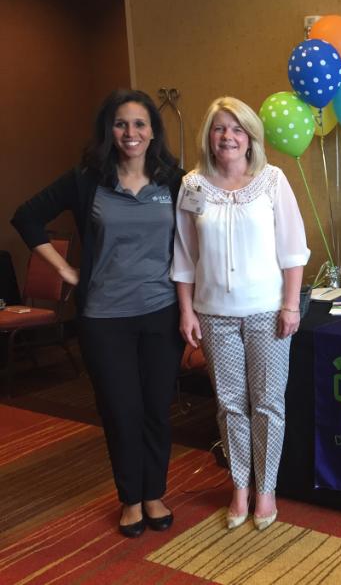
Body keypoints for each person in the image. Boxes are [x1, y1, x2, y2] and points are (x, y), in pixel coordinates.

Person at [11, 89, 185, 538]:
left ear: (153, 132)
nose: (131, 133)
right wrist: (66, 269)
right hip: (104, 317)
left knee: (156, 410)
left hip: (161, 312)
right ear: (109, 130)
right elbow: (26, 217)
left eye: (140, 124)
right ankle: (130, 497)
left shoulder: (174, 181)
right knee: (120, 409)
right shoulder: (87, 179)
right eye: (121, 123)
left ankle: (154, 493)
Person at [173, 96, 309, 531]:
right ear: (208, 138)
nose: (227, 137)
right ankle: (239, 486)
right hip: (214, 315)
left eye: (236, 129)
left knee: (268, 404)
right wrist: (186, 311)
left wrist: (291, 305)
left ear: (251, 137)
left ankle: (266, 488)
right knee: (230, 404)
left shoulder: (272, 181)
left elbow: (293, 250)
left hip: (268, 313)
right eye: (219, 129)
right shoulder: (193, 185)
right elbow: (183, 254)